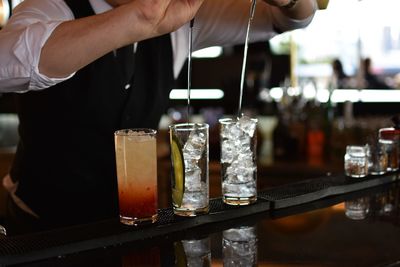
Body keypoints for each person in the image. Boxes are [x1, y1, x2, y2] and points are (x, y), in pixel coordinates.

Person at [0, 0, 317, 234]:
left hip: (133, 229)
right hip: (40, 233)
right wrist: (140, 17)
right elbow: (7, 64)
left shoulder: (180, 21)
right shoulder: (52, 7)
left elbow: (287, 19)